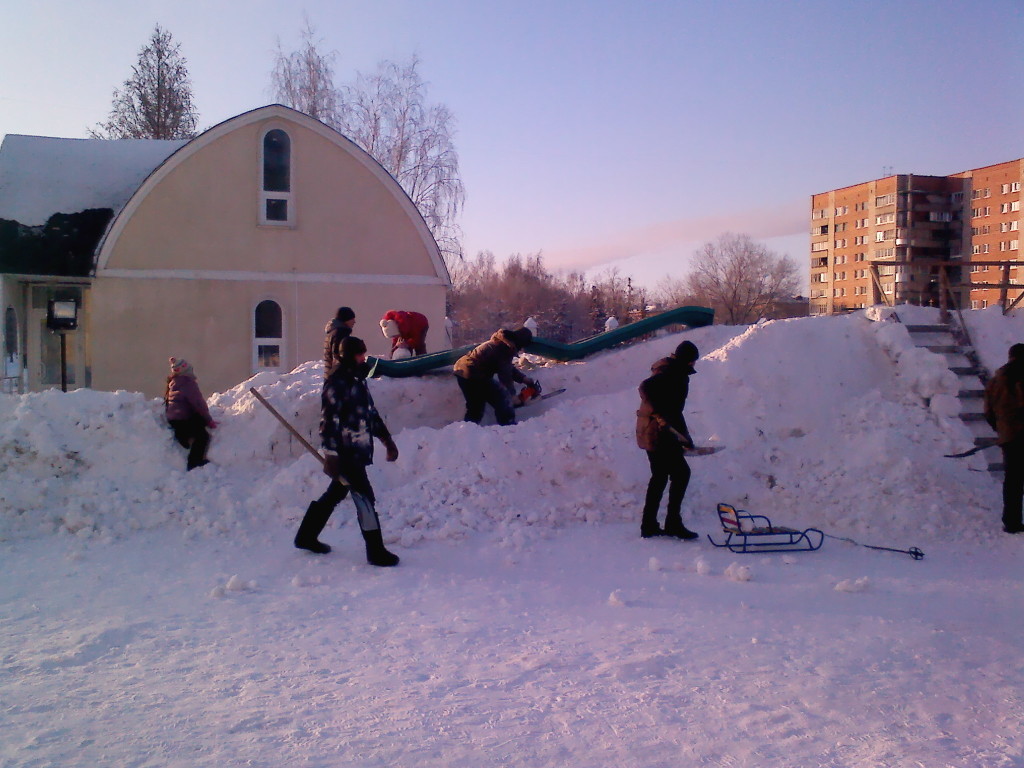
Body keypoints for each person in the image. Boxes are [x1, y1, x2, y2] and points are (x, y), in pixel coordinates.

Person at [294, 336, 402, 565]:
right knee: (364, 497)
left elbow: (369, 413)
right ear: (348, 355)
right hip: (346, 451)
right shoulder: (337, 382)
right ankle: (376, 551)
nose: (363, 357)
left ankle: (306, 536)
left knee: (335, 493)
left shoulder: (357, 378)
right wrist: (331, 454)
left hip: (359, 448)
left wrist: (387, 440)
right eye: (359, 354)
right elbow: (329, 420)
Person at [635, 340, 700, 540]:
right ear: (687, 360)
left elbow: (674, 412)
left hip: (655, 431)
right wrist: (658, 414)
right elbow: (645, 387)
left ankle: (650, 524)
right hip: (656, 433)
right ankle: (672, 523)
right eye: (693, 361)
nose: (694, 365)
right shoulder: (670, 373)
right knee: (681, 473)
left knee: (661, 476)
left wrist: (685, 437)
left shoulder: (675, 372)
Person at [453, 326, 539, 426]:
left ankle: (467, 431)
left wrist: (524, 379)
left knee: (476, 406)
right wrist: (512, 396)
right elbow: (505, 377)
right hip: (473, 372)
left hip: (465, 369)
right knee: (501, 398)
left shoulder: (503, 342)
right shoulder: (504, 348)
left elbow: (507, 367)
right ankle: (508, 427)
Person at [984, 343, 1024, 534]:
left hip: (1008, 437)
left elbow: (988, 411)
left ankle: (1012, 522)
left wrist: (1001, 429)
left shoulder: (996, 380)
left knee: (1013, 480)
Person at [165, 357, 217, 471]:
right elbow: (198, 404)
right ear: (187, 370)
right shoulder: (188, 383)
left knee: (196, 422)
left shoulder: (173, 382)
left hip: (173, 419)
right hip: (183, 419)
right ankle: (194, 462)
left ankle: (182, 436)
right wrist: (209, 420)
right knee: (203, 436)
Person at [324, 306, 356, 378]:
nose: (354, 321)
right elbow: (338, 355)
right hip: (337, 377)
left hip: (331, 374)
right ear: (346, 319)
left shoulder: (333, 332)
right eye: (352, 319)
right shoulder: (340, 333)